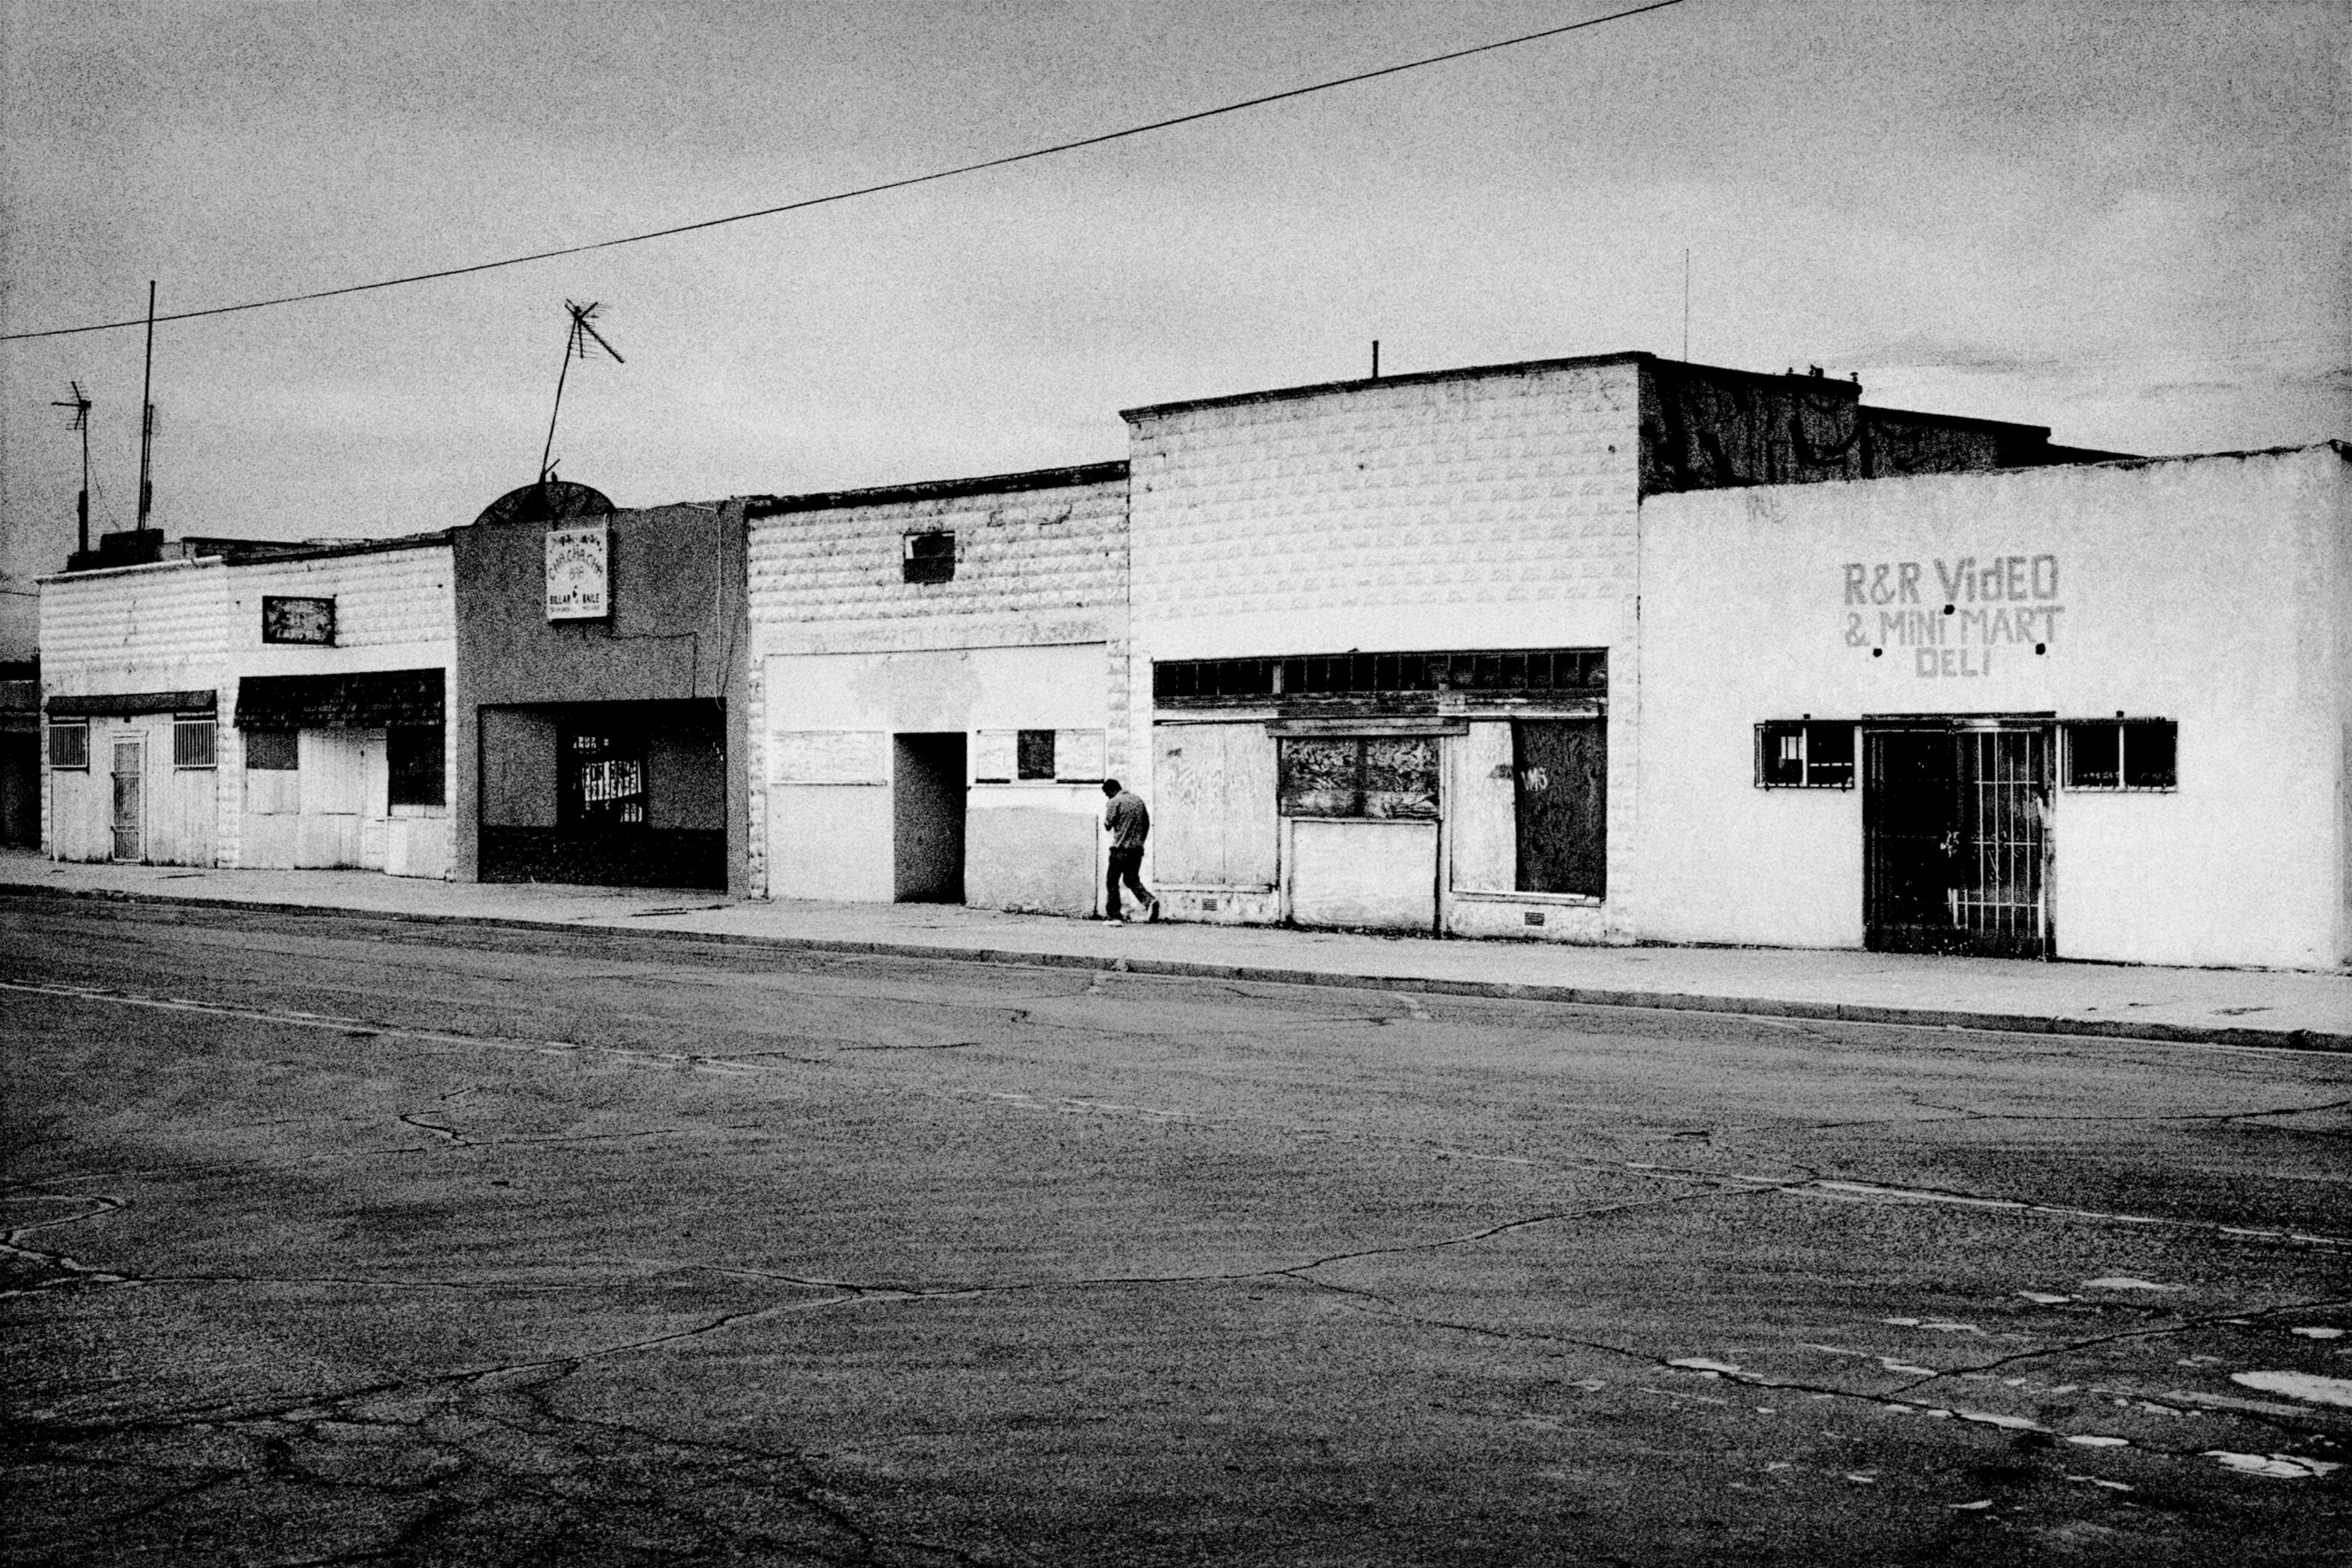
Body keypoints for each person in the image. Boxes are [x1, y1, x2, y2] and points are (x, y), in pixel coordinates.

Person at [1099, 778, 1158, 923]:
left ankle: (1114, 915)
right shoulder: (1138, 801)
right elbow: (1147, 823)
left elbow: (1108, 824)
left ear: (1112, 790)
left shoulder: (1115, 801)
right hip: (1136, 849)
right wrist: (1140, 841)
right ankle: (1149, 901)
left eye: (1107, 794)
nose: (1108, 797)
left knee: (1112, 881)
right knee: (1131, 879)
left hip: (1120, 849)